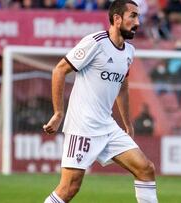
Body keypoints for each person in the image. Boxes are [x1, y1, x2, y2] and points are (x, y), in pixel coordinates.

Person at [42, 1, 158, 203]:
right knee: (69, 188)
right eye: (133, 16)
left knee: (145, 169)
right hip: (83, 126)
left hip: (107, 126)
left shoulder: (129, 52)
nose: (138, 22)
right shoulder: (95, 42)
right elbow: (59, 70)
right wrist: (58, 113)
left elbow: (122, 87)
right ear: (117, 18)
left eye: (138, 17)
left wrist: (127, 123)